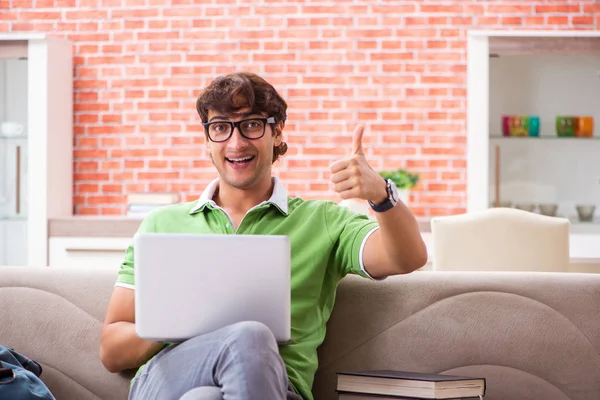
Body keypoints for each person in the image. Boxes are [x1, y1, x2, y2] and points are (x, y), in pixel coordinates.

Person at [100, 71, 428, 400]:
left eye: (252, 124)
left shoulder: (323, 221)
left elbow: (408, 257)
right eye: (220, 127)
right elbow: (112, 350)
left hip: (277, 390)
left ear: (277, 131)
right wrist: (181, 321)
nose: (236, 142)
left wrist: (381, 194)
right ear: (207, 140)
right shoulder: (161, 224)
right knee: (249, 336)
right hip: (168, 382)